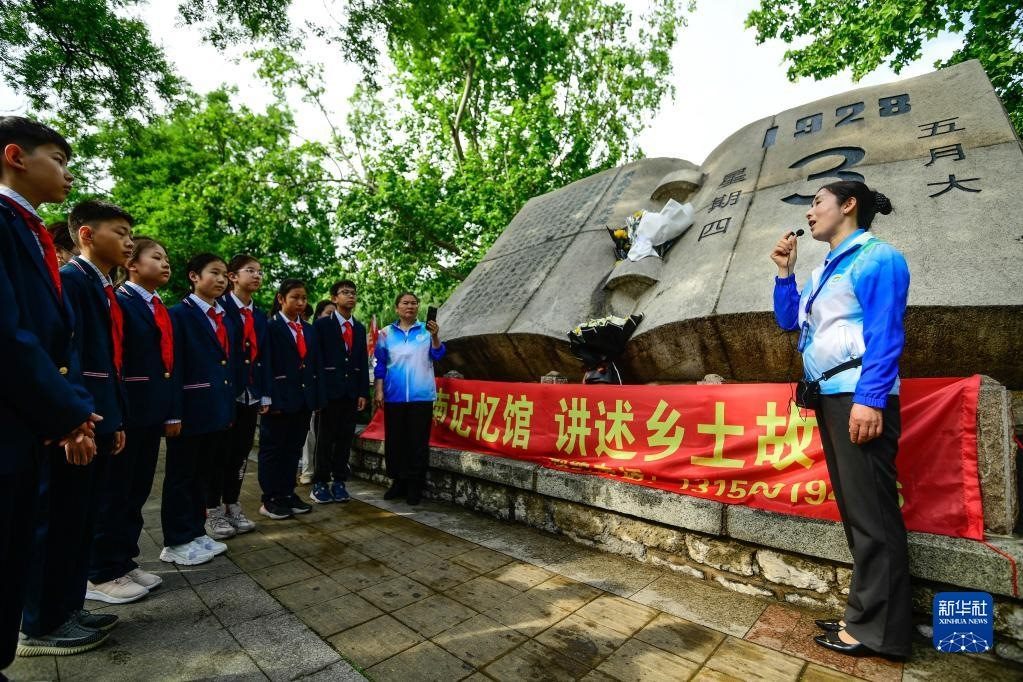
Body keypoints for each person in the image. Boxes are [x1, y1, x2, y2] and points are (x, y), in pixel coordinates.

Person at [771, 180, 911, 659]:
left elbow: (886, 332)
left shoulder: (878, 258)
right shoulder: (825, 269)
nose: (809, 213)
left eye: (817, 203)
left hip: (858, 396)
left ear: (848, 205)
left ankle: (878, 631)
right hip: (831, 396)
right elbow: (790, 322)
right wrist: (786, 273)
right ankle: (865, 615)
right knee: (858, 513)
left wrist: (870, 399)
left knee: (873, 516)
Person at [0, 117, 103, 661]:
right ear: (16, 156)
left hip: (41, 413)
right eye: (58, 160)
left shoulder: (28, 227)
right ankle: (39, 623)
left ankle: (58, 610)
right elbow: (11, 335)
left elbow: (58, 338)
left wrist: (73, 409)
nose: (68, 174)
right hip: (19, 415)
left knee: (37, 532)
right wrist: (68, 413)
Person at [22, 200, 133, 653]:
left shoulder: (98, 285)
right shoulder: (70, 281)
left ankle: (68, 608)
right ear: (86, 234)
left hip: (99, 415)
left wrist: (115, 418)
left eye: (131, 234)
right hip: (77, 421)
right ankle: (39, 623)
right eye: (120, 232)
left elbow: (107, 359)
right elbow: (66, 359)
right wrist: (75, 422)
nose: (129, 242)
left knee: (81, 521)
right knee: (56, 523)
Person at [87, 237, 177, 604]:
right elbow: (116, 360)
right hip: (127, 411)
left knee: (136, 492)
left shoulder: (157, 305)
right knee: (115, 493)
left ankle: (123, 560)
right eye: (156, 257)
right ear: (133, 265)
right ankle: (99, 571)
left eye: (166, 258)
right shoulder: (121, 302)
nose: (165, 263)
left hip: (150, 412)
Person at [161, 253, 237, 566]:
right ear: (194, 276)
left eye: (224, 275)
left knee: (202, 475)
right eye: (214, 273)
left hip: (215, 410)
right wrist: (173, 412)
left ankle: (195, 532)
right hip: (189, 410)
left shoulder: (223, 317)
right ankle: (176, 540)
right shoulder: (178, 315)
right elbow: (173, 366)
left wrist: (227, 408)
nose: (221, 280)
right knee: (181, 476)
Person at [211, 254, 268, 539]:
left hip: (251, 394)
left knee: (241, 454)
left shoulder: (259, 314)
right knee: (218, 454)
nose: (257, 276)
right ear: (233, 277)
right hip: (226, 393)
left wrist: (265, 393)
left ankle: (232, 504)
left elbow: (264, 357)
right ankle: (211, 509)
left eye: (260, 271)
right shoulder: (219, 308)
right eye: (250, 271)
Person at [257, 279, 323, 519]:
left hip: (303, 400)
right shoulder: (270, 327)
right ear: (281, 298)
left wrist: (317, 398)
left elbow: (314, 365)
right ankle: (270, 497)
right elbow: (264, 364)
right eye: (295, 297)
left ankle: (287, 492)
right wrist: (268, 397)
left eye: (304, 298)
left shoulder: (309, 329)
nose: (300, 302)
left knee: (293, 449)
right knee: (273, 449)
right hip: (279, 399)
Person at [373, 292, 445, 505]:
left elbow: (438, 355)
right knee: (395, 441)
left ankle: (415, 485)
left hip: (420, 396)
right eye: (405, 303)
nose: (410, 306)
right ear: (397, 308)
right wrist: (379, 390)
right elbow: (380, 363)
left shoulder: (426, 331)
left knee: (417, 442)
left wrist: (435, 336)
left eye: (414, 303)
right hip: (394, 395)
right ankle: (398, 481)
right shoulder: (386, 333)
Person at [311, 281, 368, 504]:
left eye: (353, 293)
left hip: (351, 392)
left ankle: (339, 481)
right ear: (334, 298)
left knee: (345, 439)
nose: (350, 296)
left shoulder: (359, 328)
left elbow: (362, 361)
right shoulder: (322, 325)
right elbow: (315, 360)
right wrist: (318, 392)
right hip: (328, 391)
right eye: (345, 293)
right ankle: (320, 482)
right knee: (325, 439)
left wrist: (363, 392)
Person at [299, 300, 336, 485]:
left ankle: (326, 468)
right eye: (329, 313)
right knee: (310, 433)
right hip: (311, 389)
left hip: (330, 393)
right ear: (319, 315)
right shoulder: (311, 332)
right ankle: (307, 469)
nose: (333, 318)